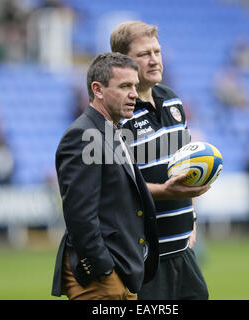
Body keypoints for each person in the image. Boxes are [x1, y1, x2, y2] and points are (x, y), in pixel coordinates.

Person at [110, 21, 210, 300]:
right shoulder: (116, 116)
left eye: (157, 51)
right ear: (123, 62)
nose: (154, 60)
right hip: (144, 262)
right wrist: (166, 192)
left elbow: (185, 166)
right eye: (144, 54)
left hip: (184, 254)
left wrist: (191, 219)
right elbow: (117, 188)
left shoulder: (173, 101)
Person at [51, 52, 159, 300]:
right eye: (124, 86)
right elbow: (80, 215)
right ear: (97, 90)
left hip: (124, 272)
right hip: (102, 280)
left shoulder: (113, 130)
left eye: (135, 85)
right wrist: (104, 270)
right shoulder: (82, 135)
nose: (134, 93)